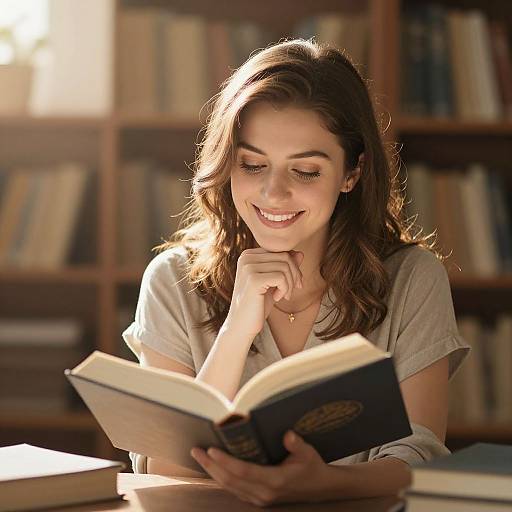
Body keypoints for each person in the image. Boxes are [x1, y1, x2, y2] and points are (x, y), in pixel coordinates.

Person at [122, 39, 469, 506]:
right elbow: (163, 466)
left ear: (351, 172)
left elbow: (421, 454)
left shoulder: (412, 278)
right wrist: (236, 328)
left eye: (305, 171)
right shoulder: (172, 280)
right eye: (252, 164)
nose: (273, 193)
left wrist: (326, 485)